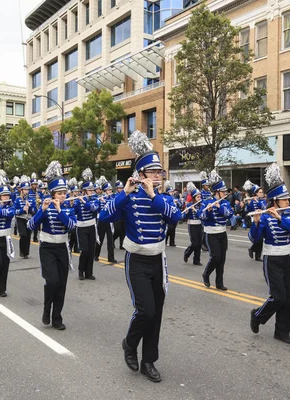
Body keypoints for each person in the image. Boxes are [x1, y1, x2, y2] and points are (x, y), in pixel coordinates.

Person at [99, 130, 182, 383]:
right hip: (136, 261)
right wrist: (124, 192)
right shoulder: (130, 198)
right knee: (145, 309)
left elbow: (175, 217)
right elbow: (103, 217)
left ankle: (149, 361)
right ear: (141, 174)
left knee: (156, 313)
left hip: (158, 261)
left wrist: (154, 195)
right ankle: (129, 343)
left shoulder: (163, 198)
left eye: (160, 172)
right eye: (153, 172)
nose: (158, 176)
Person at [249, 163, 290, 344]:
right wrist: (255, 224)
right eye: (284, 199)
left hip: (287, 258)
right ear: (275, 201)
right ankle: (258, 316)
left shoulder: (288, 215)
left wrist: (280, 218)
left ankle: (282, 331)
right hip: (271, 259)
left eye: (287, 199)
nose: (288, 202)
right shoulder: (263, 217)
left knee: (287, 299)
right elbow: (255, 240)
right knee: (278, 296)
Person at [28, 161, 77, 330]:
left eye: (65, 193)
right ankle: (46, 308)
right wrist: (42, 210)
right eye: (60, 193)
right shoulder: (45, 207)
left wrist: (60, 211)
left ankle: (57, 317)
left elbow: (72, 227)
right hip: (47, 247)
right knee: (53, 281)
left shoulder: (68, 209)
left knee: (61, 284)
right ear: (53, 193)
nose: (63, 196)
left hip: (63, 248)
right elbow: (31, 226)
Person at [199, 170, 233, 291]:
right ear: (217, 192)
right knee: (216, 257)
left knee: (222, 259)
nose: (225, 193)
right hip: (211, 233)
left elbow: (229, 215)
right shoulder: (207, 202)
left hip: (222, 233)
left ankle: (219, 282)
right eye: (223, 191)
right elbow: (201, 216)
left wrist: (219, 207)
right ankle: (206, 273)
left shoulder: (225, 203)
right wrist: (207, 211)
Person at [95, 178, 117, 263]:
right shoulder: (100, 198)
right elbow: (99, 209)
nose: (110, 191)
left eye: (111, 190)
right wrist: (102, 201)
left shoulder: (112, 198)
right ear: (105, 191)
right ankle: (96, 255)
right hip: (102, 221)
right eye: (108, 190)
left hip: (110, 221)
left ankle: (111, 257)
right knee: (100, 239)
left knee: (110, 240)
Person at [243, 180, 266, 261]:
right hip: (255, 221)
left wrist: (258, 202)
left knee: (260, 239)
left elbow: (264, 208)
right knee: (257, 238)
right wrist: (249, 203)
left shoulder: (263, 200)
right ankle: (254, 251)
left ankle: (256, 253)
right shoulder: (252, 201)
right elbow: (248, 210)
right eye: (260, 192)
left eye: (262, 192)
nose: (261, 194)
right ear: (256, 193)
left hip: (262, 220)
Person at [14, 178, 37, 259]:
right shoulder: (17, 199)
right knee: (23, 234)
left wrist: (30, 207)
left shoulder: (31, 199)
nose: (26, 191)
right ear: (22, 190)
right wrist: (22, 209)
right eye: (25, 189)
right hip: (20, 218)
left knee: (28, 236)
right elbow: (14, 211)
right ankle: (22, 250)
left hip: (29, 218)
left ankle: (26, 253)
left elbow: (34, 211)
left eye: (27, 189)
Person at [183, 183, 203, 266]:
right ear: (194, 198)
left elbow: (201, 216)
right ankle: (187, 253)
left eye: (200, 197)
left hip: (199, 225)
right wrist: (187, 212)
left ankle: (196, 260)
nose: (199, 198)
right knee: (194, 243)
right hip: (192, 225)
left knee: (199, 244)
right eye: (198, 197)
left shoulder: (201, 205)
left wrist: (195, 210)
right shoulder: (189, 205)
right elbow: (184, 217)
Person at [164, 181, 179, 247]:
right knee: (169, 229)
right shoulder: (166, 198)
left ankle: (172, 242)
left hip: (174, 215)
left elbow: (180, 205)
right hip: (169, 215)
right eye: (170, 192)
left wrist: (177, 203)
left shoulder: (175, 198)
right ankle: (165, 240)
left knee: (173, 229)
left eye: (172, 191)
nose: (172, 193)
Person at [112, 181, 126, 250]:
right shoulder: (114, 195)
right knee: (118, 230)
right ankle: (112, 239)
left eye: (122, 188)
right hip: (117, 215)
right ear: (117, 188)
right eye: (119, 188)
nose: (121, 189)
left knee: (123, 230)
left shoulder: (125, 194)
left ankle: (122, 244)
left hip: (124, 215)